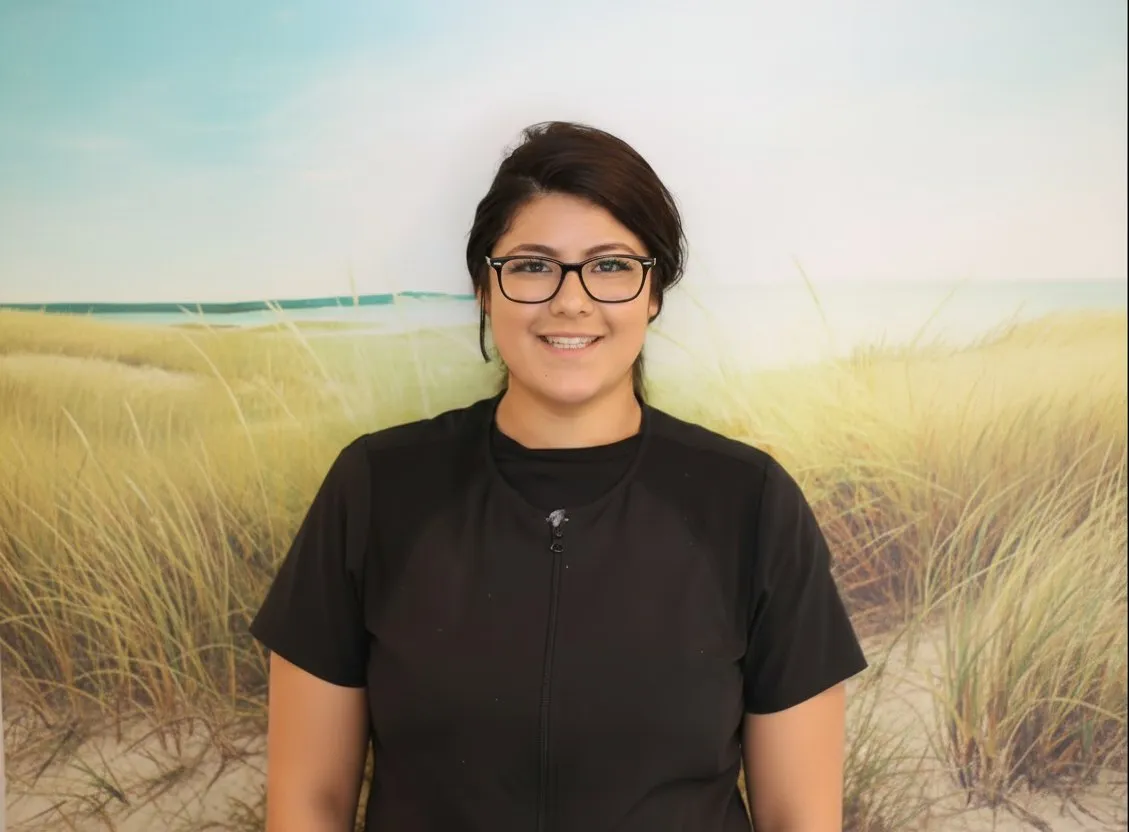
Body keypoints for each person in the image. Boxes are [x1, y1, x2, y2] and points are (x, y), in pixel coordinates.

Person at [250, 120, 868, 832]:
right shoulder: (376, 488)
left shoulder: (749, 503)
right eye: (532, 265)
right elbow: (308, 804)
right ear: (486, 289)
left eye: (609, 266)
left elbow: (798, 815)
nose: (569, 301)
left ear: (653, 292)